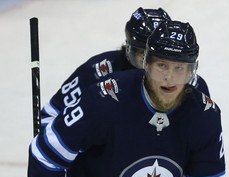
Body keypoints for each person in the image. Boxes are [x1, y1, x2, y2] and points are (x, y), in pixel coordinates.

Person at [25, 20, 229, 177]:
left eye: (179, 68)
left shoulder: (204, 115)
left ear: (191, 71)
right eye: (162, 66)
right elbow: (47, 153)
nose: (170, 78)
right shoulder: (103, 100)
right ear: (147, 64)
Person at [40, 7, 211, 129]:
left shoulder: (188, 85)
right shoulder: (99, 71)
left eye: (159, 59)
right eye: (143, 56)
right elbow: (51, 115)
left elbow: (202, 132)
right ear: (128, 48)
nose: (149, 66)